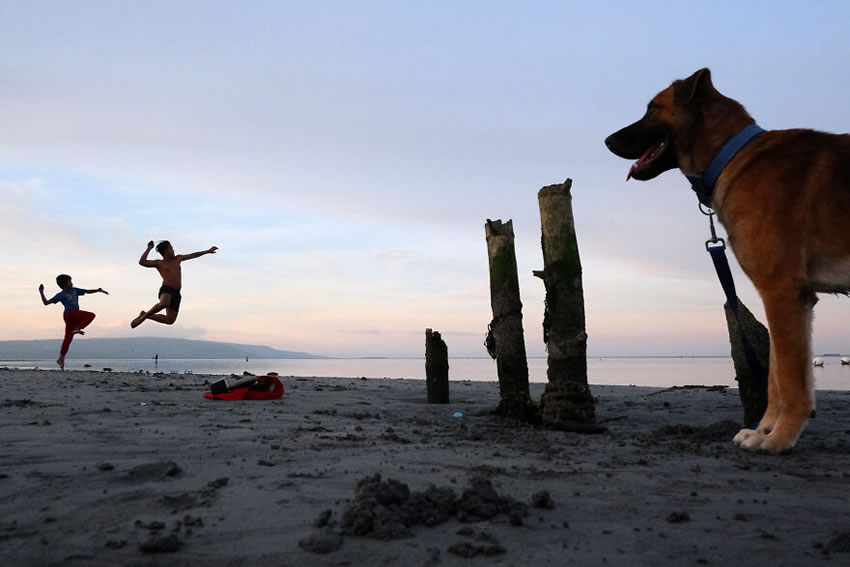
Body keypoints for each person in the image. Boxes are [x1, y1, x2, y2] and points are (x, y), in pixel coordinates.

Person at [131, 240, 218, 328]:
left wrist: (207, 251)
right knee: (164, 303)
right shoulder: (159, 263)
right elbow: (142, 262)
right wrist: (149, 248)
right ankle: (143, 318)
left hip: (176, 293)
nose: (173, 250)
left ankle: (145, 314)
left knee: (170, 320)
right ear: (165, 252)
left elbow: (193, 255)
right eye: (171, 248)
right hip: (166, 289)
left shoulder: (178, 259)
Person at [39, 275, 108, 370]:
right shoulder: (61, 295)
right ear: (64, 284)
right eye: (70, 282)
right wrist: (42, 292)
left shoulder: (75, 290)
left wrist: (97, 290)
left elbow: (87, 291)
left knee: (68, 338)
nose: (72, 283)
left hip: (72, 316)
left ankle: (61, 359)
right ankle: (78, 328)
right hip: (70, 314)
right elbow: (46, 303)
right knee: (91, 315)